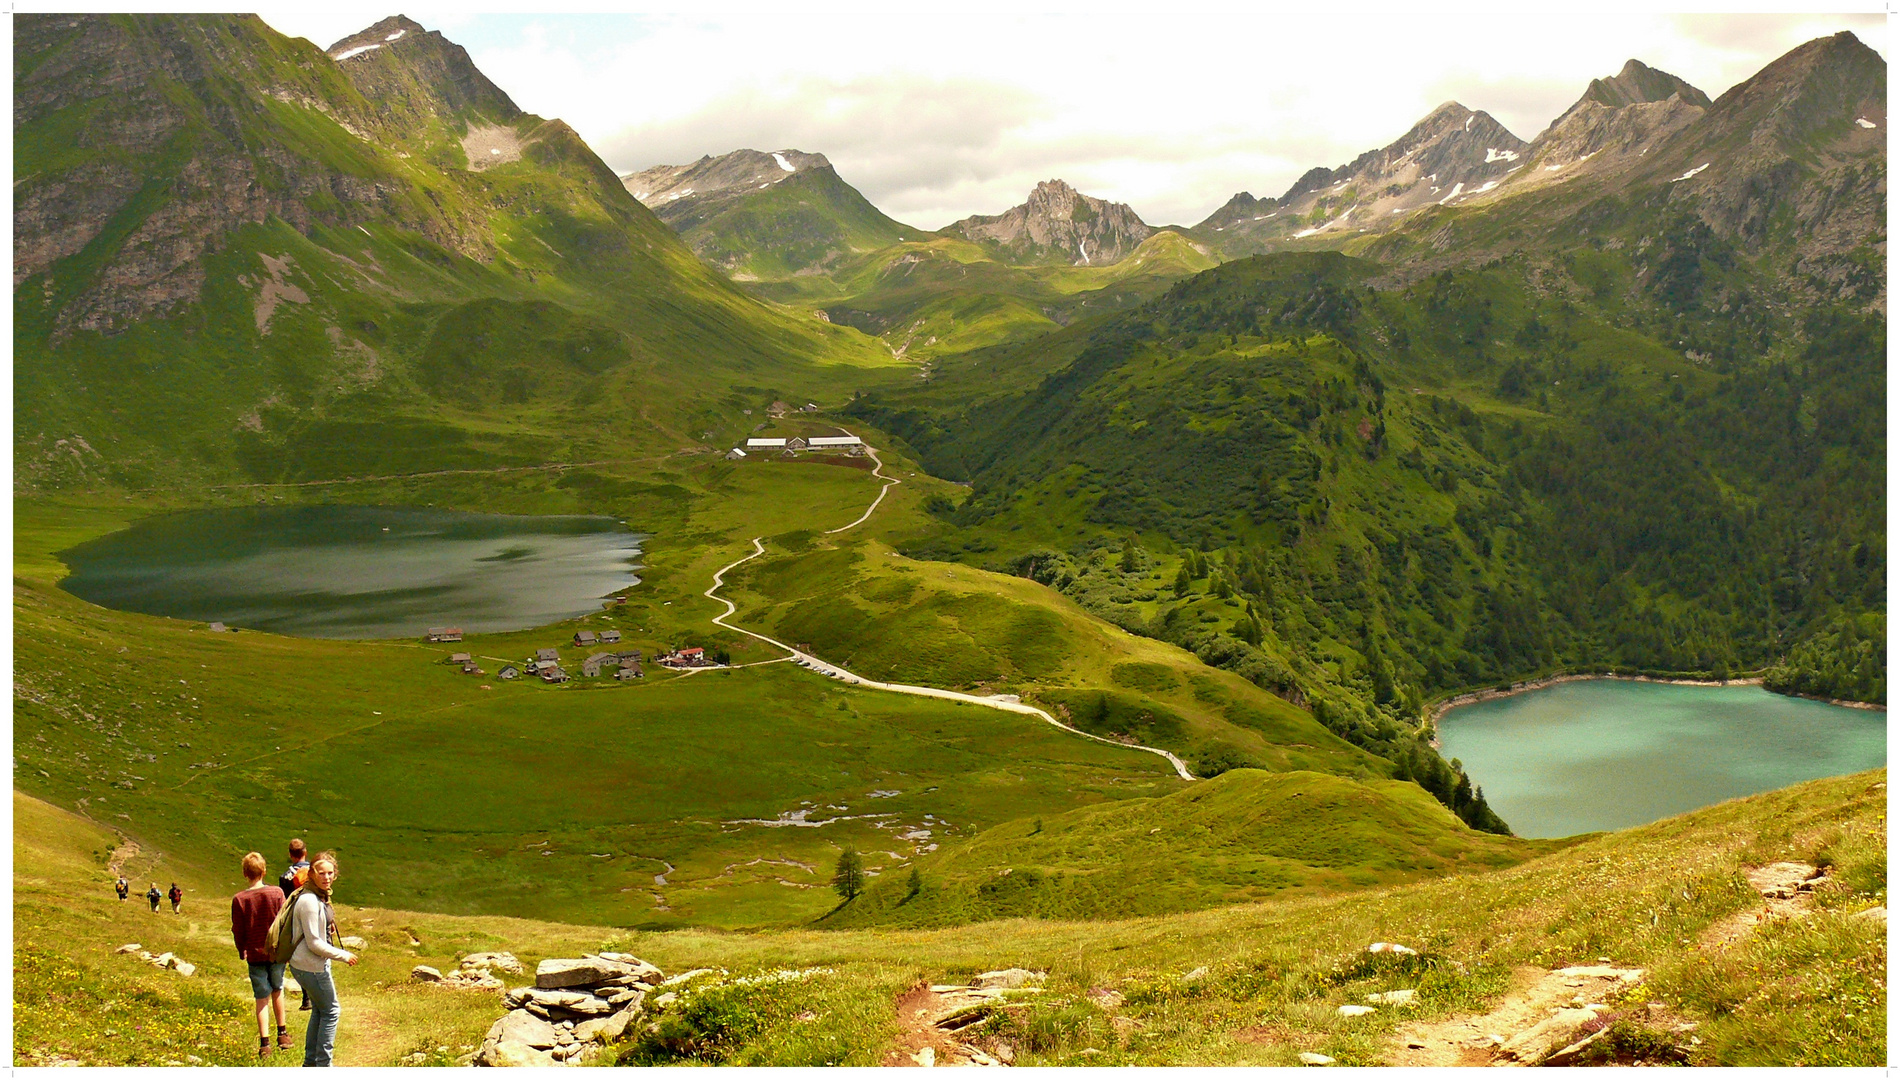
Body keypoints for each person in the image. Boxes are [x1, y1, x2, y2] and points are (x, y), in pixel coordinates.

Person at [285, 852, 356, 1067]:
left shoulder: (315, 896)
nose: (326, 877)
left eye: (330, 873)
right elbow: (314, 943)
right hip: (310, 966)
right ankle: (324, 1066)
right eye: (321, 873)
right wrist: (344, 955)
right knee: (332, 1011)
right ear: (312, 874)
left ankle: (310, 1065)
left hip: (304, 965)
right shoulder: (309, 900)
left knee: (319, 1009)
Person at [231, 852, 291, 1058]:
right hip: (275, 953)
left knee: (261, 997)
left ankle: (264, 1043)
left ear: (245, 874)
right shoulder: (276, 893)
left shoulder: (239, 899)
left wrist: (242, 950)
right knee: (277, 989)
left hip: (255, 956)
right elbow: (284, 922)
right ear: (264, 871)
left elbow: (238, 929)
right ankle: (282, 1033)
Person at [279, 839, 315, 1009]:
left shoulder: (286, 876)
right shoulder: (316, 872)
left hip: (296, 919)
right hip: (315, 916)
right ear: (305, 852)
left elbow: (285, 902)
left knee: (298, 956)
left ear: (290, 855)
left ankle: (306, 997)